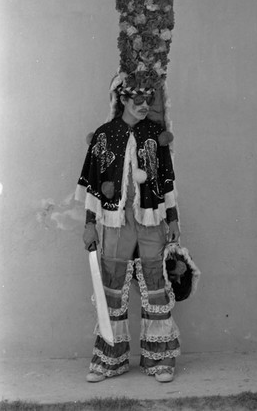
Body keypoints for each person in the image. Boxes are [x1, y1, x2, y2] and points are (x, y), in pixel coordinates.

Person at [75, 81, 181, 383]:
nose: (144, 104)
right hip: (115, 224)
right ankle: (110, 361)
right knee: (111, 288)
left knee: (156, 285)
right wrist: (89, 224)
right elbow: (94, 184)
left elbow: (167, 179)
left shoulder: (154, 133)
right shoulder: (104, 135)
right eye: (138, 98)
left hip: (151, 223)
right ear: (121, 98)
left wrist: (173, 218)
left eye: (149, 98)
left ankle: (158, 360)